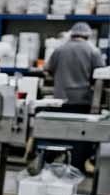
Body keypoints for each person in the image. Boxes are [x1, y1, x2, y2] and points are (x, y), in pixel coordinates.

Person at [43, 21, 105, 174]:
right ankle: (75, 171)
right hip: (81, 102)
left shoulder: (60, 49)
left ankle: (48, 168)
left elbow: (48, 69)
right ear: (87, 35)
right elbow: (100, 76)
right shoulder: (93, 51)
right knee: (78, 138)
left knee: (57, 135)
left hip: (60, 101)